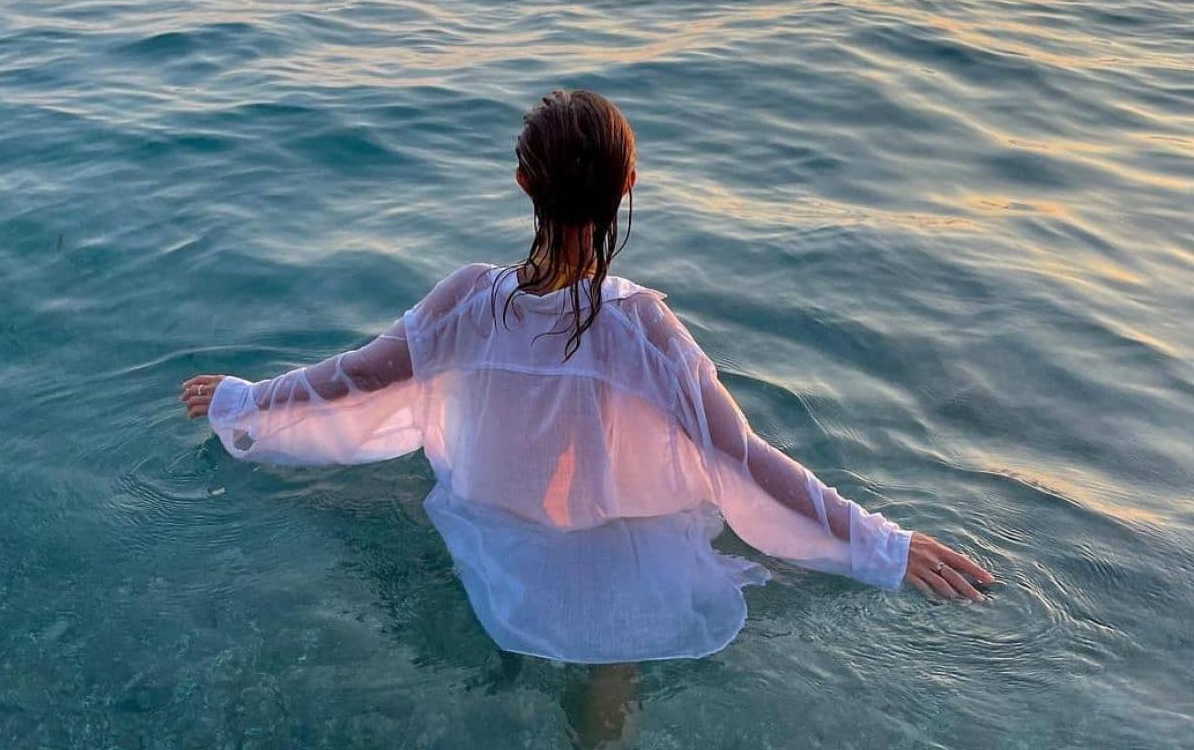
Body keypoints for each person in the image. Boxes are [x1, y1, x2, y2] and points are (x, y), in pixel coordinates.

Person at [181, 89, 993, 702]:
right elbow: (742, 459)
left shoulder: (466, 300)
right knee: (624, 653)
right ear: (629, 184)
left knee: (508, 626)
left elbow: (352, 379)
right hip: (615, 561)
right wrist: (885, 546)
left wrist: (245, 403)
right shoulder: (645, 328)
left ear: (522, 182)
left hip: (496, 544)